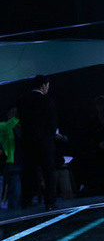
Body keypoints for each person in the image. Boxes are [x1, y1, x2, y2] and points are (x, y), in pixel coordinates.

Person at [18, 75, 60, 211]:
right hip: (44, 141)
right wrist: (52, 133)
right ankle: (50, 201)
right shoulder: (47, 101)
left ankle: (26, 200)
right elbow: (52, 122)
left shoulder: (23, 101)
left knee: (29, 171)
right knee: (48, 171)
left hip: (28, 141)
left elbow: (21, 120)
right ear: (43, 85)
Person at [0, 106, 22, 209]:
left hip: (22, 162)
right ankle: (13, 212)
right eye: (13, 112)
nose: (15, 114)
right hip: (11, 163)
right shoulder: (3, 126)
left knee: (18, 192)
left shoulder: (20, 127)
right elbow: (8, 126)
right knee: (15, 192)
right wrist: (18, 116)